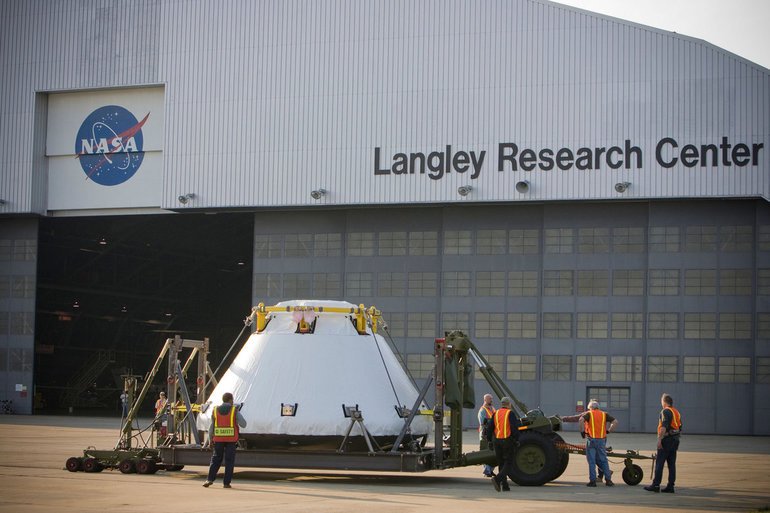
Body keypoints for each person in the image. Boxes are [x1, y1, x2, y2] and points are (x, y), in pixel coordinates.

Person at [203, 392, 247, 488]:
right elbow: (244, 424)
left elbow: (211, 428)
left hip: (218, 440)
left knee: (215, 459)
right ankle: (226, 483)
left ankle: (209, 479)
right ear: (230, 400)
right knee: (229, 461)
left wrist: (210, 440)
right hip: (231, 440)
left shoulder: (215, 410)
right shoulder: (234, 410)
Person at [644, 393, 682, 493]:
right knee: (671, 464)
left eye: (661, 401)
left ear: (664, 402)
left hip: (667, 441)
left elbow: (664, 426)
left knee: (660, 463)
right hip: (675, 440)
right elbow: (680, 427)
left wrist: (660, 439)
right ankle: (670, 486)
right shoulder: (676, 412)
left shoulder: (665, 411)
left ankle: (656, 485)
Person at [485, 396, 520, 492]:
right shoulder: (510, 413)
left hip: (497, 441)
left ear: (502, 404)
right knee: (509, 463)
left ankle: (504, 486)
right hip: (507, 441)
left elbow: (490, 428)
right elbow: (514, 428)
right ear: (509, 404)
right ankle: (497, 479)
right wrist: (517, 439)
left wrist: (489, 440)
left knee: (501, 463)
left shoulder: (496, 413)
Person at [580, 400, 617, 487]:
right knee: (603, 460)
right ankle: (608, 480)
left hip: (591, 440)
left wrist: (582, 432)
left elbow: (581, 420)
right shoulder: (604, 414)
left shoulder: (589, 414)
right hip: (601, 441)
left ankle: (592, 481)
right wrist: (609, 430)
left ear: (591, 407)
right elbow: (615, 422)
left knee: (592, 461)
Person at [477, 393, 496, 477]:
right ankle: (487, 470)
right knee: (486, 451)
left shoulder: (493, 409)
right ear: (485, 400)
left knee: (492, 451)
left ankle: (489, 470)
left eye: (491, 399)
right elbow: (483, 423)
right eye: (489, 399)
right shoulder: (482, 410)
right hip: (485, 433)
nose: (491, 400)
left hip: (492, 433)